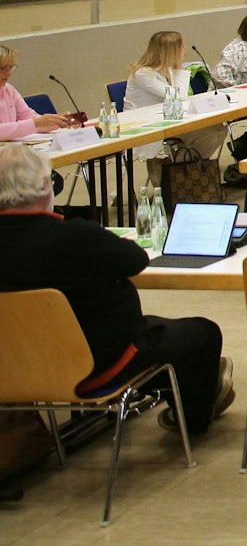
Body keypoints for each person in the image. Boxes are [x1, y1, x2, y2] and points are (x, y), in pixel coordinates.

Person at [0, 143, 232, 435]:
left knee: (162, 335)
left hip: (13, 364)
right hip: (100, 359)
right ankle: (191, 420)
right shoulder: (74, 237)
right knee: (202, 333)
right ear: (46, 186)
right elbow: (134, 259)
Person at [127, 31, 223, 160]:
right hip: (146, 124)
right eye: (182, 46)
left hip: (169, 118)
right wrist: (179, 68)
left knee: (219, 130)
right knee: (209, 134)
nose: (185, 49)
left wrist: (176, 68)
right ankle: (183, 168)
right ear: (171, 51)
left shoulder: (168, 70)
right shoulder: (143, 73)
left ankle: (189, 166)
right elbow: (178, 96)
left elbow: (179, 97)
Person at [0, 44, 75, 139]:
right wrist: (36, 123)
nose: (8, 73)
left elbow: (28, 116)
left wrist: (56, 121)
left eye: (10, 68)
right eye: (2, 68)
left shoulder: (9, 90)